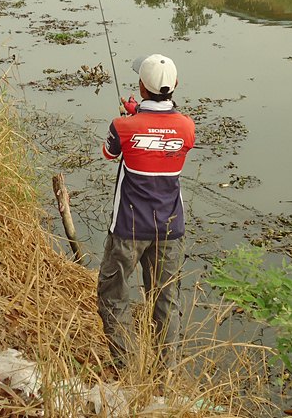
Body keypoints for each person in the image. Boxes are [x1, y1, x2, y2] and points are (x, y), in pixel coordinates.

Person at [97, 53, 196, 373]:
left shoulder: (123, 127)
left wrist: (132, 115)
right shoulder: (187, 128)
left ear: (141, 87)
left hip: (128, 228)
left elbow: (109, 152)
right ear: (175, 85)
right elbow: (166, 134)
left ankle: (125, 369)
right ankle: (164, 378)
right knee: (165, 304)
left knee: (113, 296)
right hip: (170, 229)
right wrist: (141, 115)